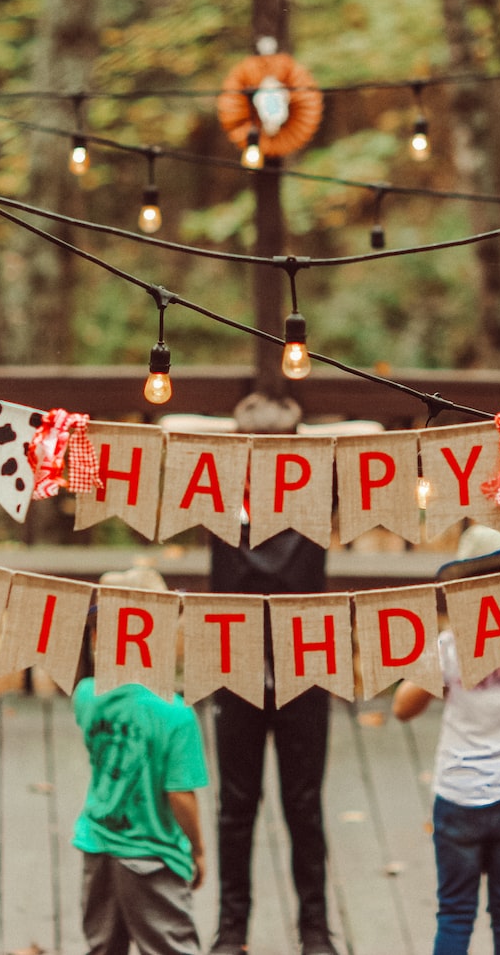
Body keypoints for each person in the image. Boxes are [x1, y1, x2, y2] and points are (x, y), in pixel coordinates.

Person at [391, 521, 500, 955]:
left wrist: (447, 677)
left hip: (460, 792)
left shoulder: (453, 646)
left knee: (454, 912)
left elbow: (403, 707)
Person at [206, 393, 336, 955]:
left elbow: (373, 430)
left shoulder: (313, 504)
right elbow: (168, 426)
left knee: (303, 805)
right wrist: (236, 437)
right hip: (233, 668)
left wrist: (300, 438)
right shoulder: (215, 498)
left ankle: (315, 929)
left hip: (304, 670)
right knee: (236, 807)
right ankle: (231, 928)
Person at [72, 567, 209, 955]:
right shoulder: (175, 715)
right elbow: (180, 794)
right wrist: (197, 849)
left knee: (102, 946)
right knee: (170, 948)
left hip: (96, 844)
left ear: (100, 638)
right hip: (152, 854)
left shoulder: (86, 696)